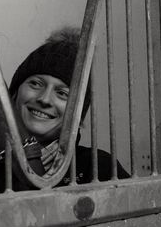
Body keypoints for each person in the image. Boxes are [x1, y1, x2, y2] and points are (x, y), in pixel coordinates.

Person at [9, 27, 129, 185]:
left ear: (78, 113)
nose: (44, 99)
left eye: (62, 93)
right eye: (36, 84)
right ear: (14, 92)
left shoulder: (98, 169)